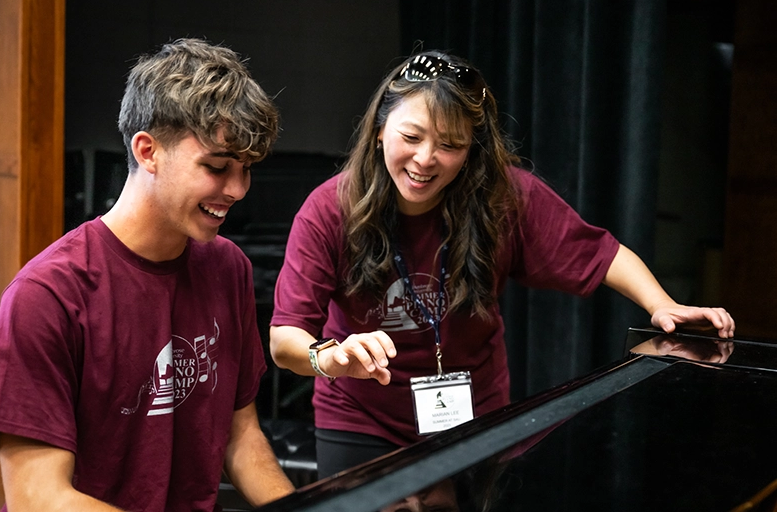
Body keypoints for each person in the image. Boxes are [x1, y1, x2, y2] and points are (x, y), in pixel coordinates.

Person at [269, 50, 735, 479]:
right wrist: (329, 357)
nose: (426, 159)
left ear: (472, 148)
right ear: (378, 131)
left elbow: (600, 252)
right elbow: (285, 339)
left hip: (476, 413)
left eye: (450, 144)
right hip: (361, 419)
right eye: (411, 137)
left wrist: (662, 305)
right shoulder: (329, 209)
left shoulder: (503, 198)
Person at [0, 39, 295, 511]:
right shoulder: (47, 296)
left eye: (246, 171)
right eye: (217, 167)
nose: (237, 190)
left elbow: (239, 433)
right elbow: (37, 497)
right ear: (148, 151)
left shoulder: (228, 268)